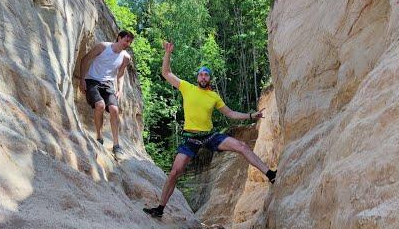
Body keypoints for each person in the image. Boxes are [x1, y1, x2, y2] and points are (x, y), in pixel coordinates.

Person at [143, 41, 276, 218]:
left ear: (209, 79)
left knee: (242, 146)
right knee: (175, 172)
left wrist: (252, 116)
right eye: (201, 75)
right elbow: (166, 73)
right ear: (197, 78)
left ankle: (270, 173)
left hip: (210, 136)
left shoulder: (213, 96)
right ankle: (160, 208)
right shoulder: (187, 88)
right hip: (190, 138)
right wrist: (167, 53)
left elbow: (230, 113)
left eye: (206, 75)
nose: (203, 77)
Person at [79, 30, 134, 159]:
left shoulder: (126, 57)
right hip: (92, 80)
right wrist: (82, 79)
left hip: (108, 84)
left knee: (115, 109)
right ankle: (99, 137)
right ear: (119, 38)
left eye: (130, 42)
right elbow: (85, 59)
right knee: (100, 105)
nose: (128, 44)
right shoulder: (103, 47)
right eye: (126, 40)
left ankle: (116, 145)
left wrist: (120, 89)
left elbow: (120, 74)